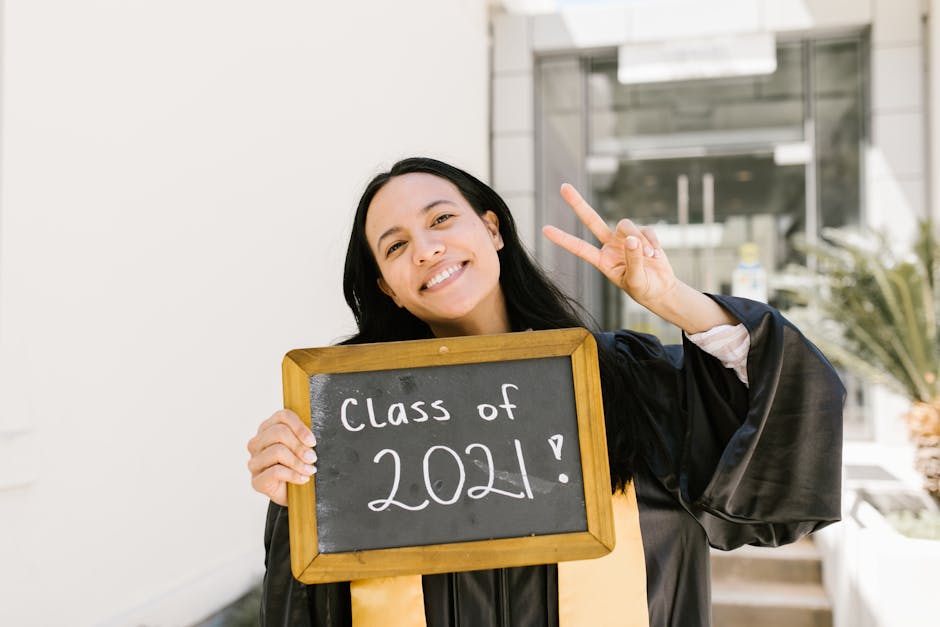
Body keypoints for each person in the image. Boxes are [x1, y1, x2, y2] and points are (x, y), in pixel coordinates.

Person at [246, 157, 844, 626]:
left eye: (441, 219)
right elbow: (307, 600)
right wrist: (290, 482)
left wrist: (671, 301)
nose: (426, 248)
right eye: (396, 245)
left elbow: (772, 416)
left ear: (492, 230)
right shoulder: (354, 418)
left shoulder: (620, 378)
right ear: (389, 289)